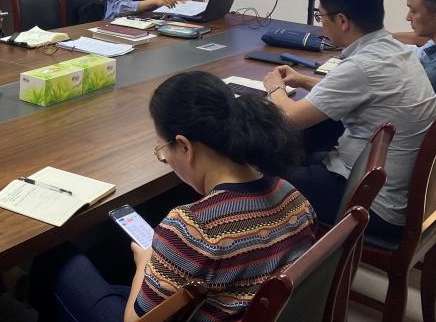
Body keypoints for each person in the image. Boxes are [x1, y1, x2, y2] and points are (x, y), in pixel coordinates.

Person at [52, 71, 316, 322]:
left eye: (163, 150)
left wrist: (145, 263)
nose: (165, 159)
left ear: (185, 146)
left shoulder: (193, 228)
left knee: (58, 261)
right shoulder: (291, 195)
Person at [263, 0, 436, 243]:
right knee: (300, 146)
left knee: (258, 177)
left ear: (342, 21)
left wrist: (275, 87)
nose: (321, 24)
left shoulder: (361, 66)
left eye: (321, 16)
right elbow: (359, 90)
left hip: (370, 202)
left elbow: (291, 118)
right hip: (390, 187)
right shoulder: (395, 50)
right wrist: (304, 80)